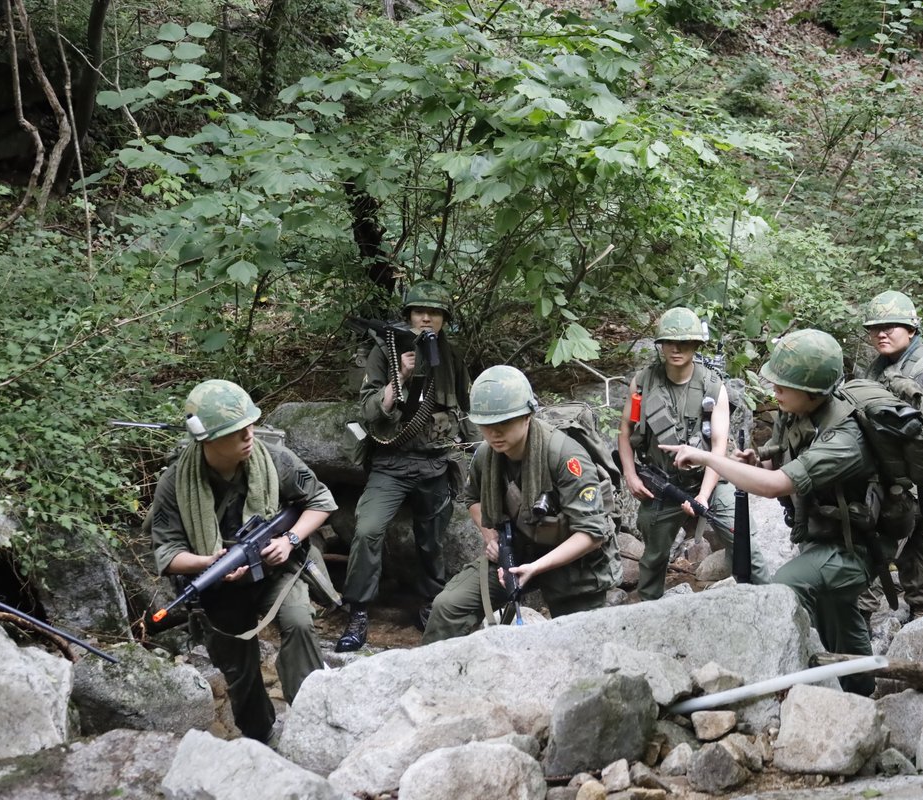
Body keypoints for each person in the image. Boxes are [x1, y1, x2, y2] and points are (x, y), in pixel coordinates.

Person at [662, 329, 884, 695]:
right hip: (825, 530)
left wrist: (706, 457)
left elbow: (775, 486)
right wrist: (759, 462)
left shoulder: (846, 438)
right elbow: (780, 466)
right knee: (837, 609)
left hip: (860, 543)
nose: (774, 390)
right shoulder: (796, 412)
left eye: (783, 384)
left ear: (813, 391)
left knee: (786, 586)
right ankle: (861, 690)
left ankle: (782, 676)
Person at [149, 379, 337, 743]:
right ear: (209, 440)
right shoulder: (175, 484)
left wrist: (289, 539)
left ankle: (313, 717)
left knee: (298, 622)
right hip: (219, 585)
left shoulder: (274, 459)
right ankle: (259, 735)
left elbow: (322, 501)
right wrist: (207, 561)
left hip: (277, 569)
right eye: (237, 430)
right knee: (238, 664)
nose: (249, 434)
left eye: (250, 424)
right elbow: (167, 554)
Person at [421, 365, 622, 644]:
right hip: (516, 549)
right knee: (448, 606)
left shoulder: (565, 456)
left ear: (527, 416)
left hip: (573, 564)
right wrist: (492, 538)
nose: (494, 433)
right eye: (486, 425)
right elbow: (472, 498)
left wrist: (536, 568)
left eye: (504, 423)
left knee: (578, 642)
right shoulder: (486, 456)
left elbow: (592, 534)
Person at [336, 280, 477, 652]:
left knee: (432, 541)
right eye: (419, 311)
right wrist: (400, 376)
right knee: (367, 530)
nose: (426, 317)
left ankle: (432, 605)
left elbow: (469, 409)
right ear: (408, 315)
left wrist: (478, 453)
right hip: (392, 462)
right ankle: (359, 611)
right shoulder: (385, 351)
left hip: (435, 462)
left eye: (434, 312)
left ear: (445, 319)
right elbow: (367, 412)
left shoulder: (453, 356)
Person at [618, 306, 767, 600]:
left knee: (746, 548)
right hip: (662, 482)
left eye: (685, 343)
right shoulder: (644, 383)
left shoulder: (713, 386)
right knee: (653, 560)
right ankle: (646, 618)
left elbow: (719, 448)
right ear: (660, 345)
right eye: (670, 343)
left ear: (696, 345)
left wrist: (702, 496)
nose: (677, 349)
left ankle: (769, 601)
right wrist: (630, 475)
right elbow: (625, 432)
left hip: (710, 479)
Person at [857, 290, 923, 621]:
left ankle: (859, 618)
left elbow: (920, 429)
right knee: (913, 543)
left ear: (911, 329)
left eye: (891, 326)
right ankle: (922, 607)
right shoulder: (881, 364)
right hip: (889, 467)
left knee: (881, 544)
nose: (881, 333)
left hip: (914, 474)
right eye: (875, 327)